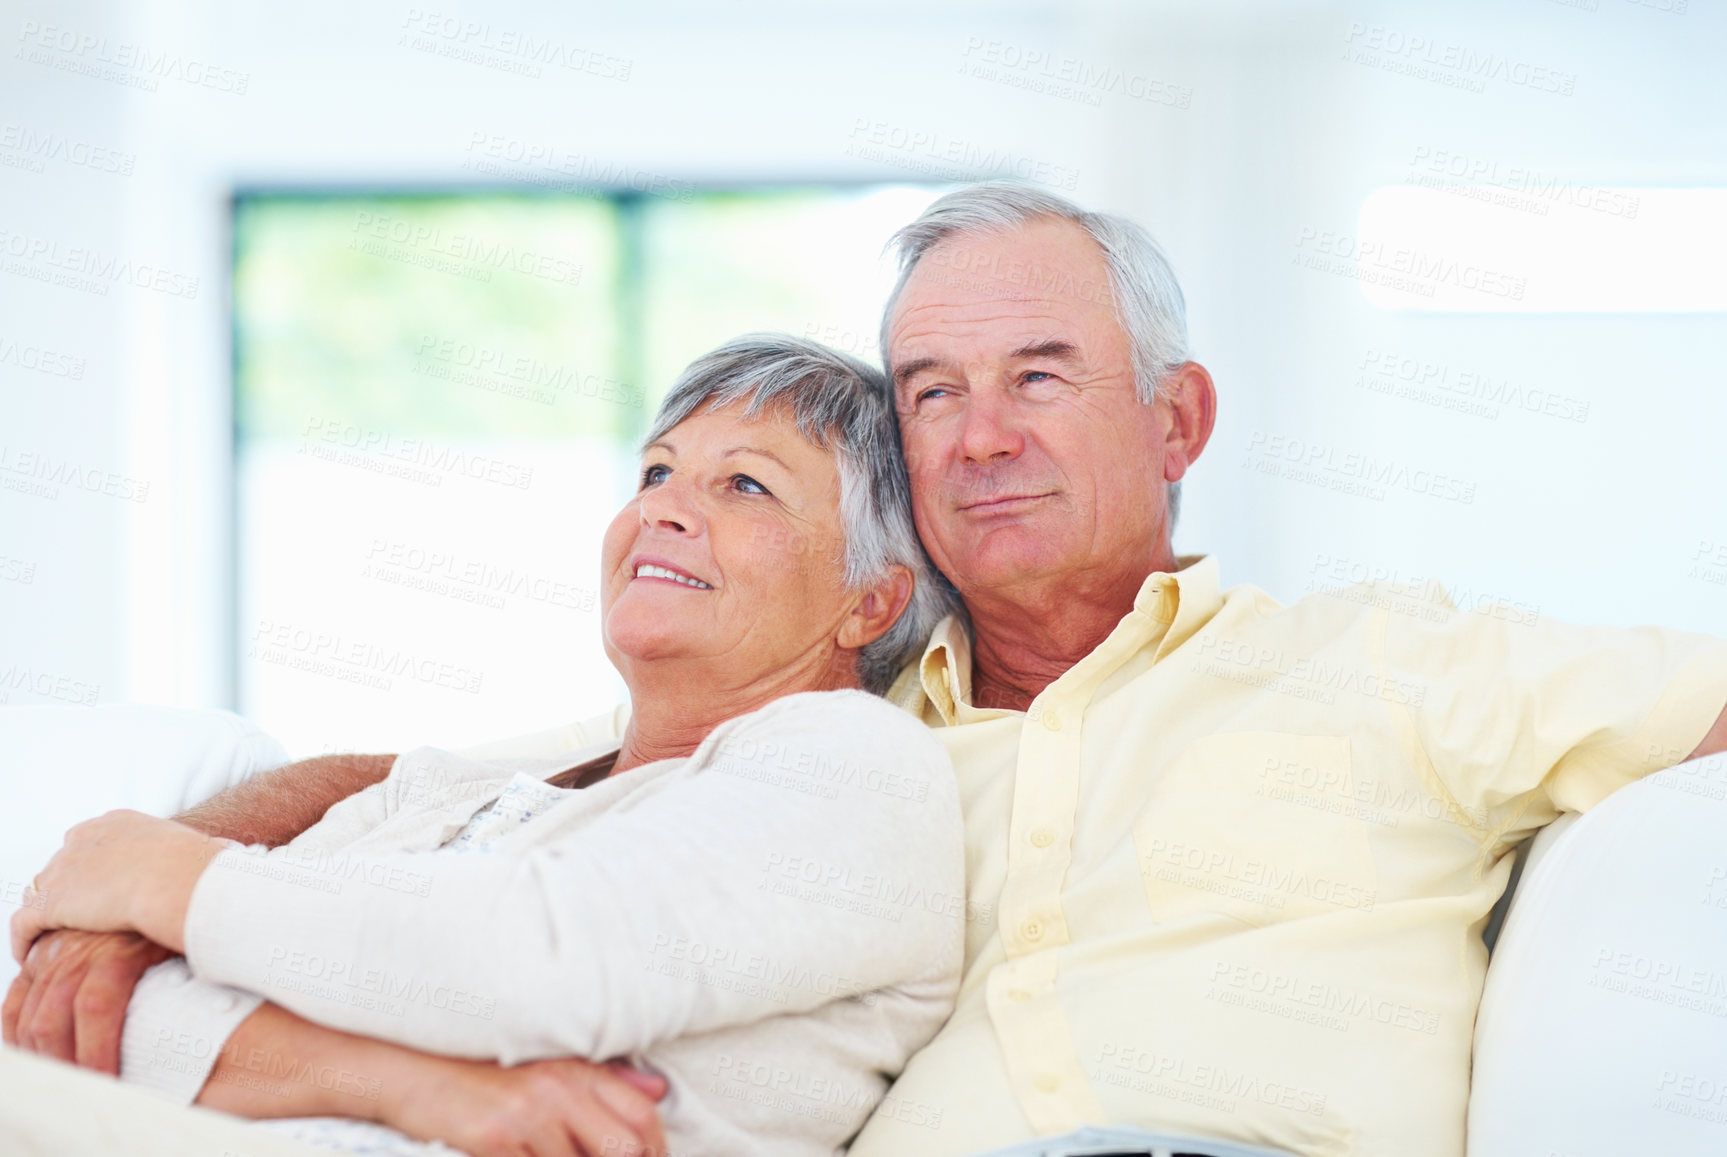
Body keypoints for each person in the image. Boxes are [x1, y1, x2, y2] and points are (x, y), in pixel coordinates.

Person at [14, 183, 1727, 1157]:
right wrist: (137, 892)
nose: (977, 435)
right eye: (927, 389)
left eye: (1038, 375)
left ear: (1175, 417)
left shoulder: (1389, 660)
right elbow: (407, 787)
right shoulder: (815, 720)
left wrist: (165, 883)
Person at [6, 334, 966, 1157]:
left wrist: (165, 878)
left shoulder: (861, 768)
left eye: (745, 483)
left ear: (868, 602)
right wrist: (405, 1083)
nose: (661, 508)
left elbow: (541, 963)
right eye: (657, 471)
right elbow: (88, 1024)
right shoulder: (445, 794)